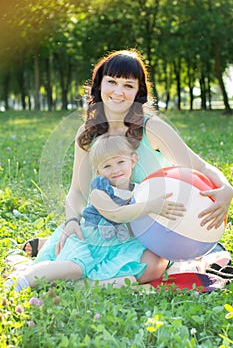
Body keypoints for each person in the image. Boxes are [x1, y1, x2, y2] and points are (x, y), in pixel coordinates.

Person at [22, 49, 233, 279]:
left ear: (138, 92)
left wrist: (227, 189)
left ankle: (88, 283)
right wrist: (72, 221)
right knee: (67, 255)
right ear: (99, 85)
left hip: (147, 231)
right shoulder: (87, 134)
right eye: (112, 82)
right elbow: (76, 192)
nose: (119, 92)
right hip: (103, 227)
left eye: (128, 85)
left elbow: (200, 168)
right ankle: (58, 254)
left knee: (153, 265)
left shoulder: (152, 128)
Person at [5, 134, 185, 291]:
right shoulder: (100, 190)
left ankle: (73, 285)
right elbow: (116, 214)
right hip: (89, 242)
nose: (115, 170)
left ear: (133, 160)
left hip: (116, 248)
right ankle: (23, 280)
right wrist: (151, 206)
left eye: (120, 162)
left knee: (129, 279)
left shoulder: (139, 191)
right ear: (98, 171)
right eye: (107, 166)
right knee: (76, 267)